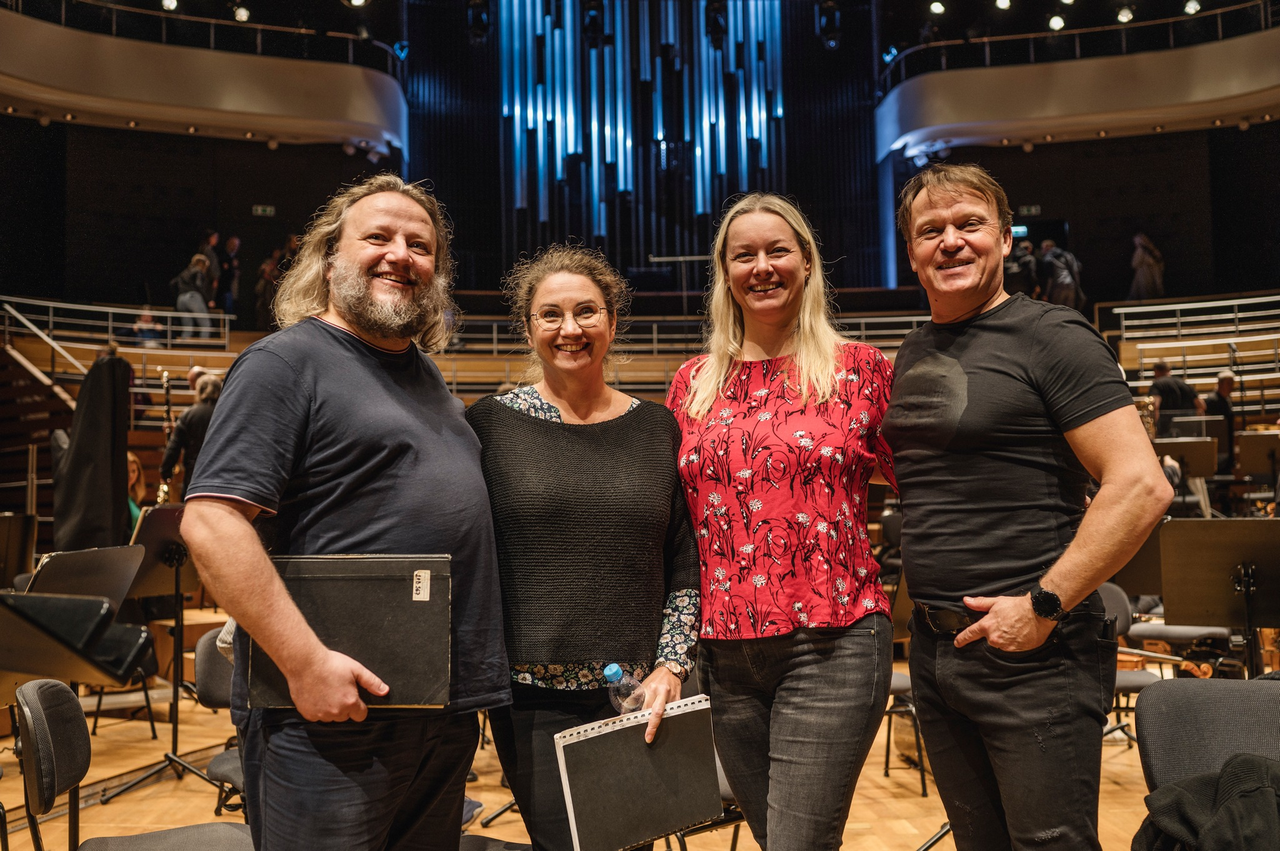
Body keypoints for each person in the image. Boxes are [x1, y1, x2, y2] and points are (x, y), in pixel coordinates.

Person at [179, 173, 510, 851]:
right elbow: (210, 521)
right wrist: (305, 663)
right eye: (378, 237)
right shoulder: (285, 363)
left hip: (435, 707)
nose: (401, 255)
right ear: (330, 259)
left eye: (420, 245)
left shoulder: (425, 376)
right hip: (330, 717)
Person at [884, 162, 1172, 851]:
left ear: (1005, 238)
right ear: (912, 252)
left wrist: (1043, 605)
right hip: (937, 650)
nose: (951, 241)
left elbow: (1141, 485)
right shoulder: (915, 348)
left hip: (1036, 653)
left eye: (969, 224)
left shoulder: (1053, 334)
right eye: (931, 230)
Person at [665, 193, 895, 850]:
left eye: (777, 250)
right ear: (725, 272)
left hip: (833, 643)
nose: (761, 267)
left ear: (807, 262)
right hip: (722, 654)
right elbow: (672, 523)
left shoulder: (862, 370)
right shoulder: (691, 384)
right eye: (744, 255)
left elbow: (930, 489)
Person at [465, 244, 699, 851]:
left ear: (612, 323)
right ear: (528, 329)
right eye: (551, 314)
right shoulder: (488, 425)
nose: (570, 328)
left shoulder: (657, 427)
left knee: (631, 844)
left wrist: (672, 665)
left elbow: (684, 560)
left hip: (634, 694)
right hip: (528, 695)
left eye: (586, 312)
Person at [158, 373, 222, 501]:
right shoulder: (226, 414)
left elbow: (174, 447)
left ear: (199, 391)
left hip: (194, 476)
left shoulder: (188, 415)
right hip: (221, 476)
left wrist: (165, 472)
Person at [1149, 360, 1206, 437]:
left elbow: (1155, 406)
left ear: (1155, 371)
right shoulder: (1183, 383)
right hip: (1186, 430)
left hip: (1165, 430)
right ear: (1169, 370)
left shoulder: (1157, 384)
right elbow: (1202, 405)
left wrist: (1154, 428)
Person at [171, 253, 212, 338]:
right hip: (192, 297)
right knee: (205, 325)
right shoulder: (198, 271)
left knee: (187, 328)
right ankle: (204, 344)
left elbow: (172, 283)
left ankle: (184, 344)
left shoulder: (184, 272)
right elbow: (198, 285)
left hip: (181, 299)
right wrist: (208, 300)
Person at [1204, 369, 1236, 474]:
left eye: (1232, 383)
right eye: (1228, 383)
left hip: (1226, 444)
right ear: (1220, 383)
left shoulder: (1226, 399)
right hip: (1218, 448)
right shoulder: (1212, 400)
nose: (1231, 386)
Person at [1039, 238, 1085, 311]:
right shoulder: (1067, 254)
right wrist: (1077, 286)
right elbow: (1077, 268)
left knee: (1058, 311)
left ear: (1047, 247)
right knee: (1070, 311)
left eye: (1042, 248)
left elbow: (1049, 278)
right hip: (1071, 285)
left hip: (1058, 287)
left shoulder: (1048, 258)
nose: (1041, 251)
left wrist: (1046, 294)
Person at [1128, 233, 1164, 300]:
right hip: (1149, 274)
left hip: (1145, 275)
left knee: (1145, 292)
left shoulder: (1142, 250)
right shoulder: (1152, 249)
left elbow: (1134, 264)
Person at [126, 450, 146, 532]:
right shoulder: (118, 498)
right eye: (127, 471)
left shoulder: (133, 497)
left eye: (133, 471)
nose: (130, 475)